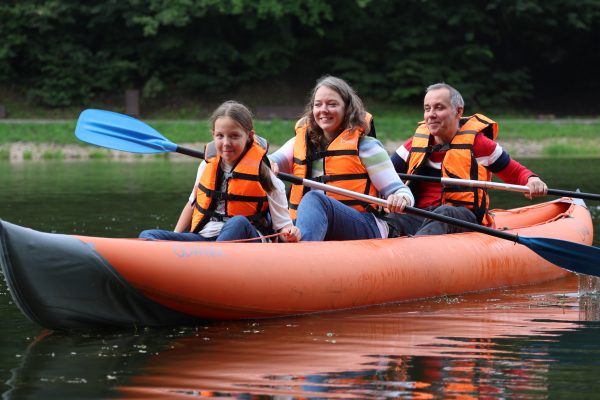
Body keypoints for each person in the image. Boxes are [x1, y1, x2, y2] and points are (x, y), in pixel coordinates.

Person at [390, 82, 548, 236]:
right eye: (427, 109)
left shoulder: (479, 144)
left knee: (445, 212)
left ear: (458, 112)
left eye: (439, 108)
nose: (431, 115)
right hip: (422, 215)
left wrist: (532, 180)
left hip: (464, 219)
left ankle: (416, 253)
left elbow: (516, 172)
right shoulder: (414, 144)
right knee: (395, 216)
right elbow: (385, 173)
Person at [269, 75, 414, 241]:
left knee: (314, 199)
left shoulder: (366, 146)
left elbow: (402, 191)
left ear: (347, 109)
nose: (323, 110)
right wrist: (269, 163)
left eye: (332, 104)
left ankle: (301, 257)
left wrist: (400, 199)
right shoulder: (301, 143)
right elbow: (270, 160)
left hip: (365, 225)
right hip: (318, 223)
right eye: (318, 105)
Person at [139, 100, 300, 242]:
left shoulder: (266, 175)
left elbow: (283, 227)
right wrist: (174, 238)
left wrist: (290, 233)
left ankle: (210, 265)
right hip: (205, 238)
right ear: (213, 135)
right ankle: (203, 262)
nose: (226, 143)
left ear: (249, 136)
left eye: (234, 136)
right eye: (220, 136)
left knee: (238, 222)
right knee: (148, 235)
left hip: (247, 240)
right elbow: (192, 204)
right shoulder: (206, 165)